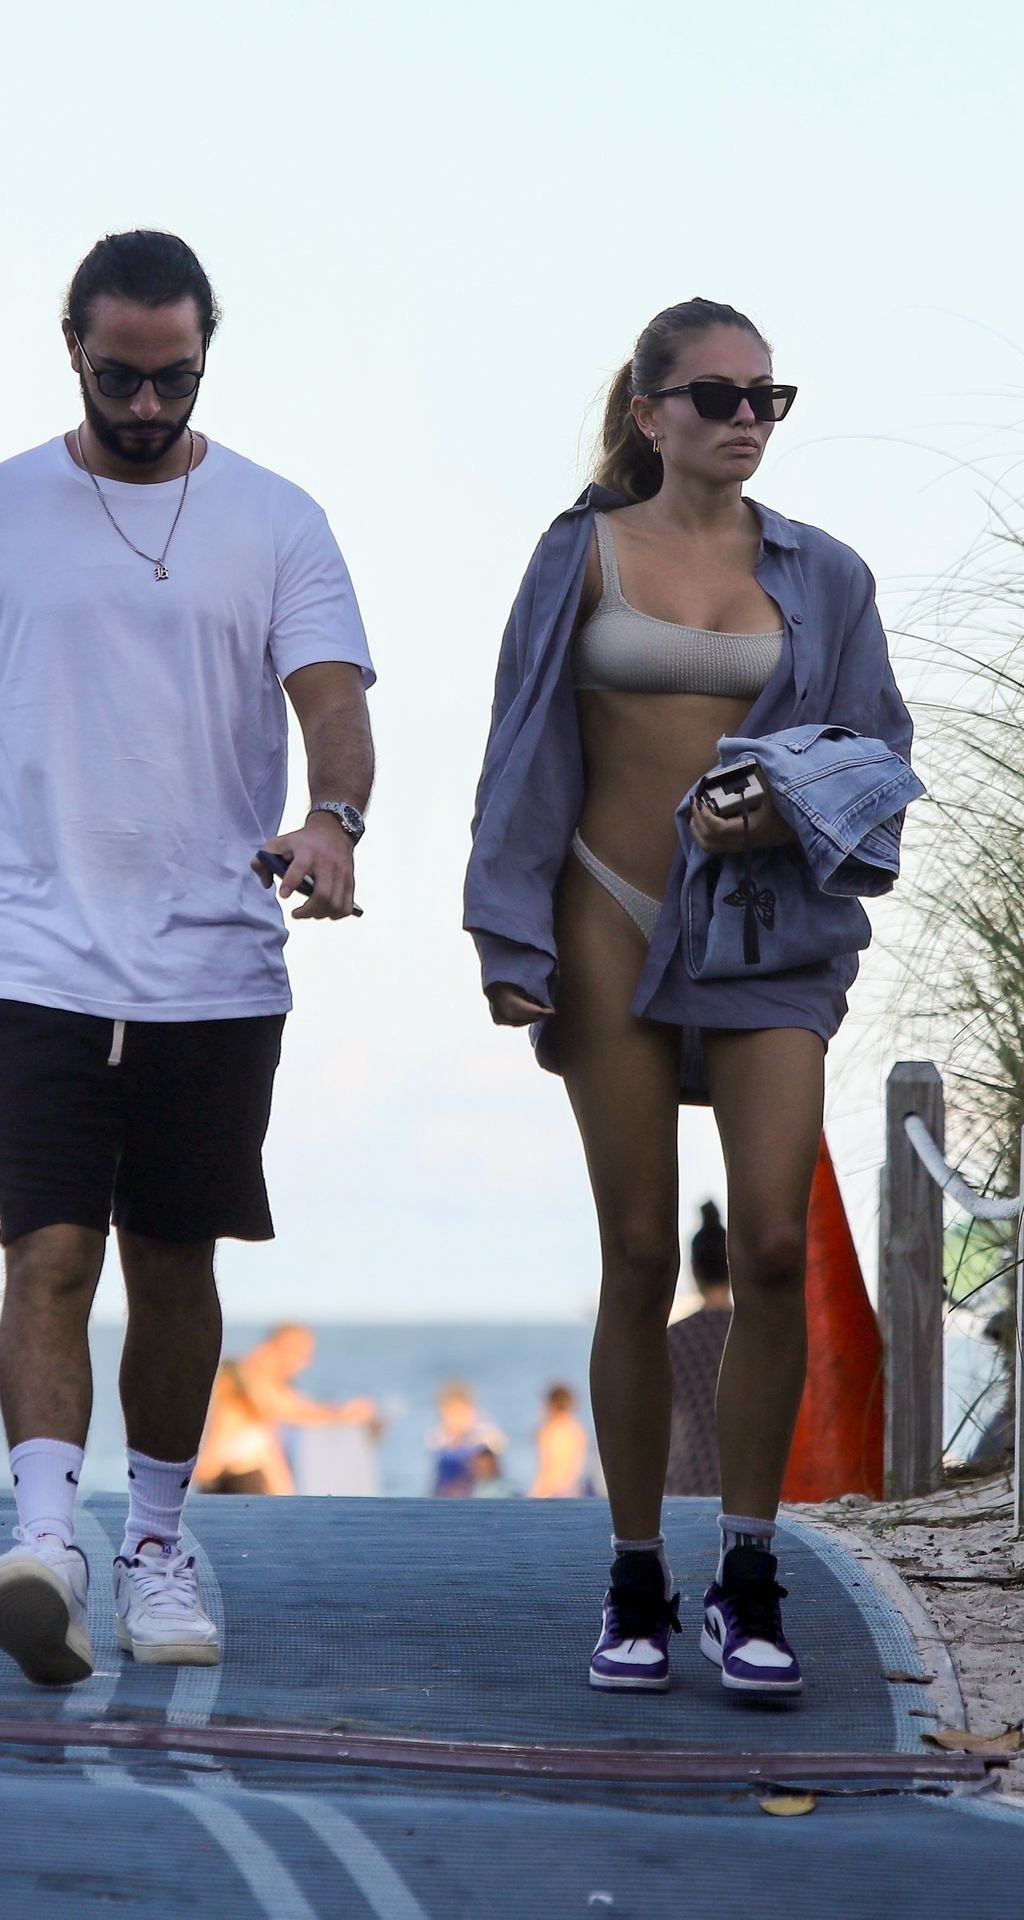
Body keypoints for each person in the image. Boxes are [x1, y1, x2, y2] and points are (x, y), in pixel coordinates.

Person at [0, 230, 375, 1686]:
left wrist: (331, 823)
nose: (146, 404)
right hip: (31, 950)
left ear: (207, 355)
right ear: (71, 347)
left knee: (175, 1260)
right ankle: (44, 1544)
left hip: (215, 960)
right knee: (50, 1249)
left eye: (174, 378)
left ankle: (152, 1541)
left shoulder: (278, 519)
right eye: (121, 376)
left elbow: (333, 702)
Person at [465, 297, 916, 1696]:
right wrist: (505, 931)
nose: (744, 418)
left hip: (765, 926)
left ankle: (749, 1571)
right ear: (648, 411)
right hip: (604, 905)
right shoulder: (580, 553)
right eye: (715, 395)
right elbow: (518, 739)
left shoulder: (824, 573)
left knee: (770, 1244)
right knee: (639, 1250)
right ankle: (633, 1578)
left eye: (764, 398)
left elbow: (877, 755)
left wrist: (776, 809)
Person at [234, 1323, 377, 1487]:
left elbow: (296, 1407)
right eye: (301, 1354)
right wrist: (342, 1415)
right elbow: (289, 1410)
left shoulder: (262, 1377)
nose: (305, 1362)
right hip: (240, 1482)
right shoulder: (252, 1377)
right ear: (279, 1347)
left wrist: (343, 1413)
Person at [665, 1203, 733, 1496]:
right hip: (749, 1479)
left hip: (688, 1475)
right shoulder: (752, 1336)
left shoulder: (675, 1338)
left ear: (693, 1268)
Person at [194, 1361, 295, 1495]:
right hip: (255, 1483)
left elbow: (212, 1463)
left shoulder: (228, 1411)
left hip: (231, 1485)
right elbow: (274, 1463)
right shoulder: (255, 1413)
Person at [428, 1381, 507, 1496]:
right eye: (452, 1414)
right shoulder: (441, 1439)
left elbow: (498, 1444)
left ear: (472, 1411)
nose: (457, 1420)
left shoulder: (482, 1436)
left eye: (461, 1413)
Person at [529, 1384, 595, 1498]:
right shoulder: (578, 1430)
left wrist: (534, 1494)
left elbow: (548, 1467)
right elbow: (577, 1468)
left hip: (552, 1491)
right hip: (574, 1489)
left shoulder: (549, 1430)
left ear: (551, 1405)